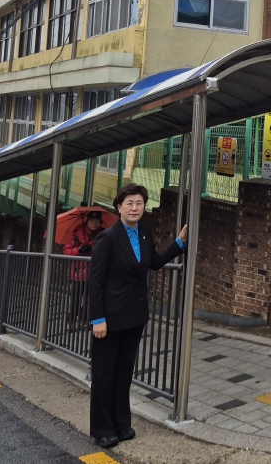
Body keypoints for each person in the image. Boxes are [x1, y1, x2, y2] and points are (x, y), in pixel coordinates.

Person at [88, 184, 187, 448]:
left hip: (134, 316)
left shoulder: (144, 232)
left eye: (139, 203)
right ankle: (103, 429)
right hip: (109, 319)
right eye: (129, 203)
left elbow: (154, 263)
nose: (135, 208)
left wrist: (179, 243)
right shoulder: (107, 238)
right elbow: (95, 282)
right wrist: (97, 319)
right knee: (104, 374)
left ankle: (122, 424)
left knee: (124, 373)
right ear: (119, 207)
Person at [63, 210, 104, 331]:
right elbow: (66, 251)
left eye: (97, 221)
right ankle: (70, 322)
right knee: (75, 299)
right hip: (78, 273)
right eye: (92, 221)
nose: (94, 224)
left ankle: (84, 321)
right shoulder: (77, 234)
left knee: (89, 299)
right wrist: (80, 250)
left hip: (95, 273)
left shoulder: (103, 235)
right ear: (87, 221)